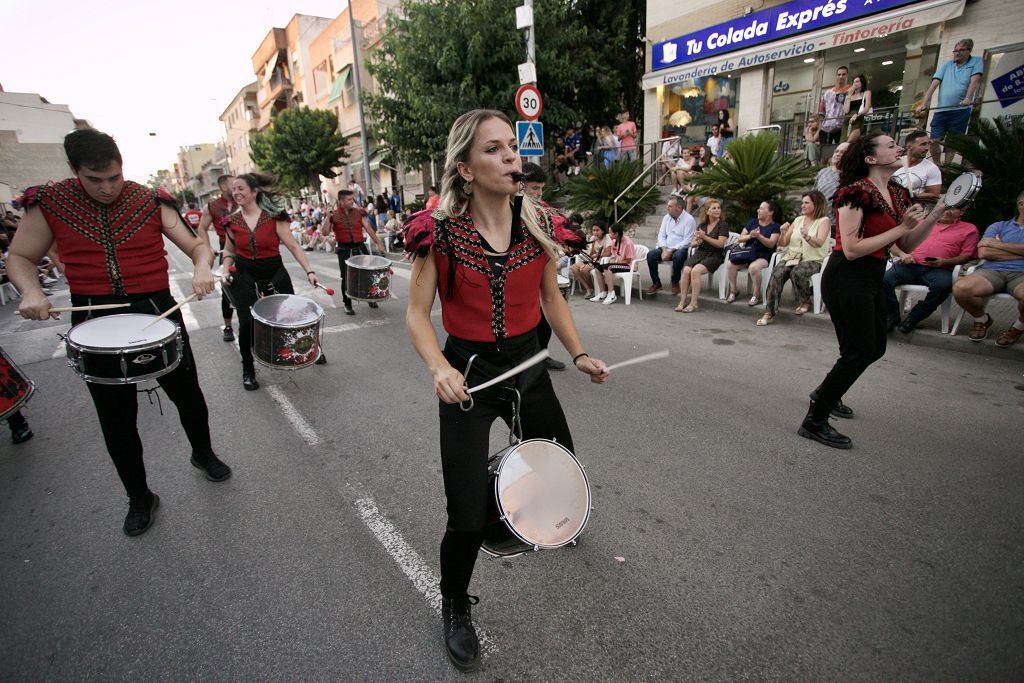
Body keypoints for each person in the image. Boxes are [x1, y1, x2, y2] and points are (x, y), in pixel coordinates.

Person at [403, 109, 608, 672]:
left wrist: (579, 353)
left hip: (528, 368)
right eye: (492, 149)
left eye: (511, 147)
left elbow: (551, 298)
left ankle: (544, 520)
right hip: (467, 380)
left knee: (560, 464)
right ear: (466, 169)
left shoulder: (539, 224)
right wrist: (438, 368)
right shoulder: (438, 232)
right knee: (466, 515)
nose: (510, 157)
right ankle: (454, 603)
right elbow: (417, 315)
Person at [7, 128, 231, 536]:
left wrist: (201, 267)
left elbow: (198, 247)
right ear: (74, 170)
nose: (108, 188)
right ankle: (139, 496)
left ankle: (203, 453)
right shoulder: (49, 202)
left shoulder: (149, 199)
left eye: (114, 177)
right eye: (95, 179)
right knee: (116, 417)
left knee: (188, 394)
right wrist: (31, 290)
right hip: (94, 315)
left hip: (156, 307)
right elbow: (20, 256)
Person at [800, 132, 944, 449]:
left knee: (875, 346)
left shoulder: (897, 192)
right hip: (846, 276)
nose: (898, 148)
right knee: (859, 351)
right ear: (871, 158)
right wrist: (902, 228)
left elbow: (907, 243)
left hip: (873, 276)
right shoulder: (854, 193)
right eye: (890, 145)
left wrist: (935, 214)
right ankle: (815, 419)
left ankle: (826, 392)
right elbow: (852, 249)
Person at [222, 173, 323, 390]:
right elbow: (229, 251)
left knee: (293, 317)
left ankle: (312, 348)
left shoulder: (274, 217)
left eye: (241, 188)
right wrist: (224, 271)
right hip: (244, 277)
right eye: (234, 189)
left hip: (275, 274)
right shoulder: (230, 222)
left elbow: (293, 246)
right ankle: (248, 369)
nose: (236, 192)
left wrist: (310, 271)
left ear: (254, 191)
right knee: (246, 324)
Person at [884, 204, 978, 333]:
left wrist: (944, 262)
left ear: (962, 212)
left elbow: (966, 256)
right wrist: (902, 254)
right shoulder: (920, 224)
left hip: (940, 269)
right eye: (945, 208)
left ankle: (914, 317)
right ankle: (891, 315)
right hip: (910, 265)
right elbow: (891, 242)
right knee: (883, 279)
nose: (948, 212)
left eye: (953, 209)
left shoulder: (969, 229)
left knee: (943, 286)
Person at [952, 189, 1024, 347]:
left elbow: (989, 248)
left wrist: (998, 245)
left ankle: (1018, 327)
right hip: (992, 270)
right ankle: (982, 319)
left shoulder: (997, 235)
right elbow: (984, 252)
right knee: (961, 288)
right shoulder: (998, 226)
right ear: (1021, 205)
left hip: (1021, 275)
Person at [756, 191, 831, 325]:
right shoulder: (798, 220)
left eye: (806, 203)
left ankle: (805, 301)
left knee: (797, 272)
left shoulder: (824, 221)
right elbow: (783, 242)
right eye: (802, 203)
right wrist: (783, 232)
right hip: (792, 257)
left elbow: (819, 242)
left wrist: (807, 236)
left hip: (813, 259)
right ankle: (769, 312)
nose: (802, 206)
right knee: (777, 273)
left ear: (817, 204)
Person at [914, 39, 984, 164]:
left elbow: (974, 81)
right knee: (934, 140)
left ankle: (947, 166)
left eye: (961, 50)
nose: (957, 53)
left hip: (960, 110)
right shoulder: (947, 65)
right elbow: (934, 84)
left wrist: (968, 98)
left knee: (952, 142)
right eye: (955, 50)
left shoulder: (976, 61)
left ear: (969, 51)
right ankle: (937, 165)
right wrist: (923, 104)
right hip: (942, 110)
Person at [322, 190, 386, 316]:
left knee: (367, 274)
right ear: (342, 201)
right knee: (346, 277)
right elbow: (324, 232)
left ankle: (370, 298)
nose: (352, 201)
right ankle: (347, 304)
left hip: (360, 247)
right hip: (344, 249)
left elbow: (368, 228)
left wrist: (378, 243)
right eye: (349, 199)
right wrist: (327, 217)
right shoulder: (333, 214)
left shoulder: (358, 212)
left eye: (353, 199)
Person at [198, 174, 236, 342]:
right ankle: (228, 326)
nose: (237, 187)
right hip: (226, 248)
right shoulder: (212, 206)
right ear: (223, 187)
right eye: (233, 184)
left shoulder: (243, 200)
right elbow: (202, 228)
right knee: (227, 290)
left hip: (245, 248)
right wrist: (207, 247)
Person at [675, 199, 729, 312]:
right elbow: (693, 243)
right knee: (686, 270)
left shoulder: (723, 225)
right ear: (707, 211)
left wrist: (705, 237)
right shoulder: (703, 225)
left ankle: (694, 303)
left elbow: (720, 244)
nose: (717, 210)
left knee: (695, 271)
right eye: (714, 208)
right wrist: (698, 241)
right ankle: (682, 301)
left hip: (715, 255)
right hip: (701, 252)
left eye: (718, 208)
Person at [725, 200, 783, 305]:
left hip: (764, 256)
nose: (758, 210)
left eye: (762, 208)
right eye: (759, 208)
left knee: (754, 267)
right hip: (748, 253)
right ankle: (734, 290)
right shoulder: (752, 222)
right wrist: (750, 236)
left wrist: (759, 236)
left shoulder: (775, 226)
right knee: (731, 264)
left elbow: (771, 244)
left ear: (771, 212)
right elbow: (740, 238)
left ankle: (756, 295)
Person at [645, 197, 696, 296]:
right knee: (650, 255)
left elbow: (687, 241)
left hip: (680, 249)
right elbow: (661, 236)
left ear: (679, 207)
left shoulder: (689, 220)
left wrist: (671, 250)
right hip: (666, 247)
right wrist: (664, 250)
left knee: (678, 256)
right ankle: (656, 283)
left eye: (670, 206)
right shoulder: (666, 218)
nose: (667, 208)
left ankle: (675, 282)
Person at [891, 130, 943, 210]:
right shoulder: (895, 162)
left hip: (913, 211)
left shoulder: (932, 168)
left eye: (928, 143)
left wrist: (912, 195)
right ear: (909, 147)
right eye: (923, 144)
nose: (927, 148)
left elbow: (934, 195)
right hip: (891, 208)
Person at [590, 222, 637, 305]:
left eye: (610, 233)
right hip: (617, 263)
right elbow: (613, 254)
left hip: (628, 266)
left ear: (616, 234)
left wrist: (615, 262)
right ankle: (603, 293)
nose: (609, 234)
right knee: (597, 268)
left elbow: (628, 260)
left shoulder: (628, 243)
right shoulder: (614, 241)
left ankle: (611, 294)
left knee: (608, 268)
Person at [570, 222, 611, 298]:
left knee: (584, 269)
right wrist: (592, 244)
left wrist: (597, 255)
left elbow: (608, 253)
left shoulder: (607, 238)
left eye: (597, 230)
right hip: (592, 260)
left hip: (601, 261)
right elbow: (591, 253)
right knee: (573, 267)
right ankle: (588, 288)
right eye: (593, 230)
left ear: (602, 231)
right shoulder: (593, 238)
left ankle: (594, 288)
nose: (595, 232)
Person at [814, 142, 849, 229]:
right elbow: (813, 195)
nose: (838, 154)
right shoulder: (823, 172)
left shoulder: (852, 176)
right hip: (817, 221)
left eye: (842, 152)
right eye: (836, 151)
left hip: (837, 225)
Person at [818, 66, 851, 146]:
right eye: (839, 74)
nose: (841, 77)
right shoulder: (828, 92)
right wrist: (820, 125)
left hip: (841, 127)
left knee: (839, 150)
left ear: (847, 75)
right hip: (826, 128)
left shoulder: (850, 90)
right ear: (836, 76)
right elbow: (821, 111)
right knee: (824, 152)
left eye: (843, 74)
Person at [844, 74, 873, 144]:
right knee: (844, 140)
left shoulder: (866, 93)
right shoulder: (850, 96)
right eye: (854, 82)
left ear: (862, 83)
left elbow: (866, 108)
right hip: (848, 119)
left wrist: (857, 114)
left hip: (859, 117)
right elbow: (846, 110)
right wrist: (849, 95)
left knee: (851, 141)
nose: (855, 84)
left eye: (857, 81)